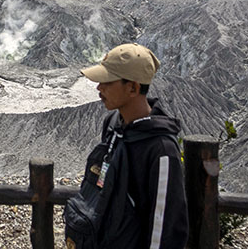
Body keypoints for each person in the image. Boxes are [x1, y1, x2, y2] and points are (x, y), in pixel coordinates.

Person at [64, 43, 188, 249]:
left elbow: (165, 229)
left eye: (107, 82)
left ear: (133, 88)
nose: (99, 88)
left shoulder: (162, 150)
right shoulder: (113, 123)